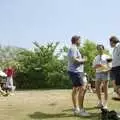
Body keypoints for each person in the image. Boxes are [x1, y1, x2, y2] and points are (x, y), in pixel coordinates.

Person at [67, 35, 90, 116]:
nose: (80, 42)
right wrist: (84, 60)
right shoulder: (73, 48)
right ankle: (81, 110)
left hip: (75, 71)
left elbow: (75, 59)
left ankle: (76, 109)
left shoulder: (74, 48)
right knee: (83, 88)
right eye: (80, 40)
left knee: (75, 89)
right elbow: (75, 60)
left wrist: (81, 60)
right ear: (76, 40)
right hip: (76, 72)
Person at [93, 44, 111, 109]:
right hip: (98, 73)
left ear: (103, 49)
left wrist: (106, 69)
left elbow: (110, 66)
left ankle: (105, 104)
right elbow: (93, 67)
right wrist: (97, 66)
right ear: (97, 50)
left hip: (105, 73)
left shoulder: (108, 56)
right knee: (97, 88)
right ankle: (100, 102)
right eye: (98, 49)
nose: (100, 50)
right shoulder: (96, 57)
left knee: (105, 89)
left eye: (101, 48)